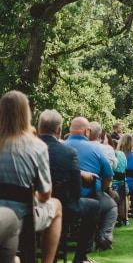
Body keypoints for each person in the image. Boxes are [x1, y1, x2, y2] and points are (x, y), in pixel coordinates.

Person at [0, 91, 62, 263]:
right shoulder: (37, 147)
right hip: (23, 218)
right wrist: (31, 195)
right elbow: (45, 194)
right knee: (56, 206)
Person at [38, 109, 100, 263]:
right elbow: (77, 190)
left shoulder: (27, 149)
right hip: (65, 205)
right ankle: (80, 257)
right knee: (94, 206)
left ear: (39, 128)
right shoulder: (68, 153)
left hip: (33, 204)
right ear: (59, 130)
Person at [65, 116, 118, 251]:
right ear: (86, 132)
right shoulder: (97, 149)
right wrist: (101, 190)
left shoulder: (60, 147)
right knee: (111, 207)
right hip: (90, 196)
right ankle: (103, 239)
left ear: (70, 130)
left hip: (62, 198)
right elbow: (109, 176)